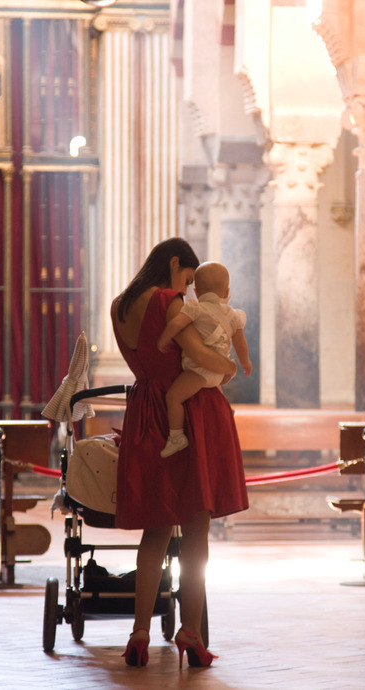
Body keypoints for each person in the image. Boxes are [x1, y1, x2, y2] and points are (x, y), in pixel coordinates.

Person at [111, 237, 249, 669]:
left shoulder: (118, 305)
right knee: (196, 532)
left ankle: (139, 634)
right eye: (188, 279)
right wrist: (228, 367)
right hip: (190, 414)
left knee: (154, 532)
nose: (189, 291)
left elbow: (146, 357)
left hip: (145, 413)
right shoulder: (169, 300)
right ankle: (190, 631)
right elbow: (199, 352)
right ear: (175, 264)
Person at [158, 261, 252, 457]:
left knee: (174, 397)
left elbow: (177, 323)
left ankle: (176, 437)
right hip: (220, 373)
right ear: (226, 292)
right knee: (217, 392)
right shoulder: (234, 316)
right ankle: (226, 410)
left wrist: (164, 338)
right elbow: (240, 344)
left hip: (199, 370)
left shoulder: (195, 309)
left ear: (197, 292)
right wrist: (245, 363)